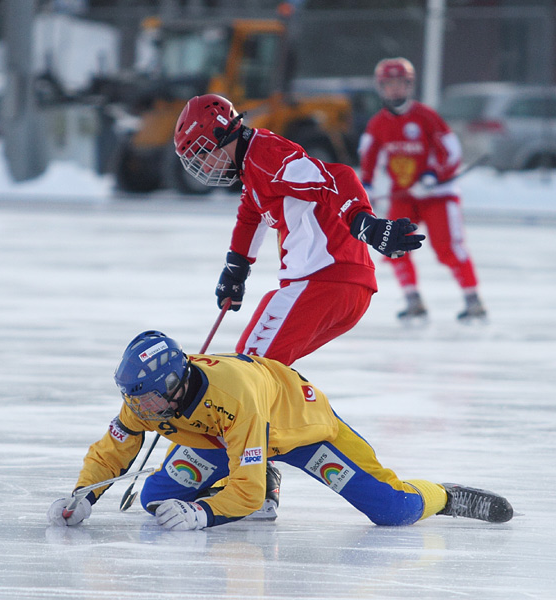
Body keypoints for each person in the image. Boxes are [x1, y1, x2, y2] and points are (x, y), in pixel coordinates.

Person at [47, 330, 513, 530]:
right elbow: (114, 448)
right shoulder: (146, 401)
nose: (137, 409)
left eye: (144, 398)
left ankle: (443, 496)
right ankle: (263, 474)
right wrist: (83, 494)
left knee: (392, 511)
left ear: (173, 384)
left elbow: (243, 496)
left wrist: (206, 515)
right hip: (218, 440)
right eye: (132, 397)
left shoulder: (235, 396)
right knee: (156, 500)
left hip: (297, 432)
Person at [172, 93, 426, 367]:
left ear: (220, 135)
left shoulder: (266, 158)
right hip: (342, 287)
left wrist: (365, 224)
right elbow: (251, 212)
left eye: (201, 155)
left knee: (251, 366)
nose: (202, 167)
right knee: (269, 369)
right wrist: (236, 268)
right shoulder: (254, 162)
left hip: (322, 281)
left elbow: (338, 177)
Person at [359, 57, 487, 322]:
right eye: (388, 84)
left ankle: (473, 300)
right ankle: (412, 299)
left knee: (447, 247)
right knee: (392, 243)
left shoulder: (427, 117)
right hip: (405, 196)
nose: (394, 89)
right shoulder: (377, 124)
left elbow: (451, 152)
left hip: (438, 196)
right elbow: (369, 158)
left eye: (400, 83)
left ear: (409, 85)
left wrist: (432, 176)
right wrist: (367, 187)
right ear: (380, 87)